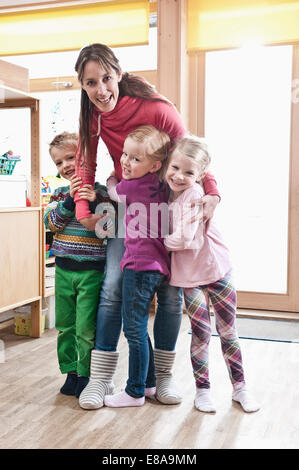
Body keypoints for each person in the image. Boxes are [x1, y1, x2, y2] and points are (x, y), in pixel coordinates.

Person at [73, 43, 220, 410]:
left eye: (106, 79)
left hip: (170, 209)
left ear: (119, 75)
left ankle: (162, 379)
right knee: (112, 287)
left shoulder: (157, 109)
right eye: (91, 83)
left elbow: (190, 152)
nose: (101, 90)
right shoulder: (92, 115)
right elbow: (85, 164)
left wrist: (213, 192)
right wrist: (81, 207)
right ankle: (101, 378)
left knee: (169, 294)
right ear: (83, 85)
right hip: (130, 209)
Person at [164, 136, 260, 413]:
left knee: (228, 331)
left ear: (201, 175)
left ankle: (240, 388)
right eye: (175, 168)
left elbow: (184, 240)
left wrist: (155, 240)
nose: (179, 176)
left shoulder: (195, 196)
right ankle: (203, 389)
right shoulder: (165, 191)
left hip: (217, 270)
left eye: (189, 172)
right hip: (189, 277)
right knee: (200, 333)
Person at [102, 125, 171, 407]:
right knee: (140, 328)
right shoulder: (162, 185)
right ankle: (151, 383)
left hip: (138, 265)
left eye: (135, 159)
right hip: (157, 267)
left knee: (133, 329)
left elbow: (114, 193)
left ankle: (134, 391)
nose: (126, 163)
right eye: (124, 156)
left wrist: (109, 179)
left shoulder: (131, 186)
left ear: (155, 165)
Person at [44, 132, 111, 398]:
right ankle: (70, 370)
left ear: (85, 158)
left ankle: (86, 374)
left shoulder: (101, 192)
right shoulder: (59, 194)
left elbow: (108, 228)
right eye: (59, 163)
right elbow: (50, 224)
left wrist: (94, 200)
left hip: (91, 271)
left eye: (71, 158)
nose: (66, 166)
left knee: (85, 327)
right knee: (65, 325)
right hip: (63, 269)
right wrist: (70, 200)